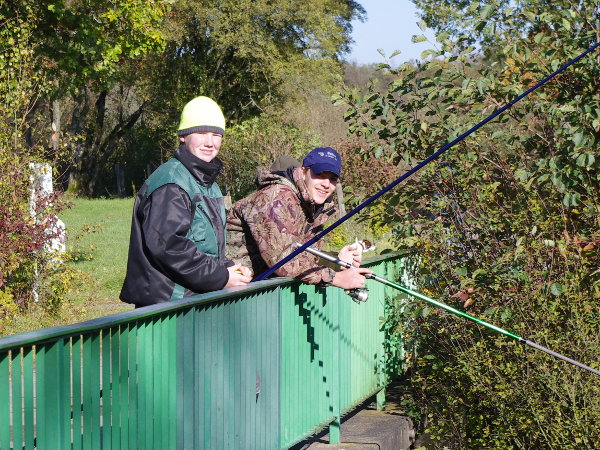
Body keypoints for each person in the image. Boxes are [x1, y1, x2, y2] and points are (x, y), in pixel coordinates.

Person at [120, 96, 252, 307]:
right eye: (201, 133)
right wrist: (221, 277)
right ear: (183, 136)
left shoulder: (210, 186)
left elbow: (206, 247)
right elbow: (168, 247)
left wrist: (229, 267)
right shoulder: (172, 182)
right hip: (166, 308)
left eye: (216, 134)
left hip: (195, 300)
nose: (210, 142)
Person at [227, 147, 372, 290]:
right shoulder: (276, 197)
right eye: (320, 175)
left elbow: (305, 256)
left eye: (332, 179)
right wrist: (336, 278)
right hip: (224, 289)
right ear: (303, 172)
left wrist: (337, 261)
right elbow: (282, 261)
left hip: (253, 289)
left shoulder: (311, 206)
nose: (326, 184)